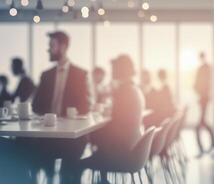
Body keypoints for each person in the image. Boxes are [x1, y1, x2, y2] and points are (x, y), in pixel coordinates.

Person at [31, 31, 92, 183]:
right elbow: (35, 105)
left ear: (63, 47)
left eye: (51, 45)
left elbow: (86, 107)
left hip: (71, 137)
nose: (48, 49)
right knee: (25, 147)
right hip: (48, 135)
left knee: (69, 171)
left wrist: (71, 113)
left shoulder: (80, 74)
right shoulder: (46, 75)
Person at [80, 54, 144, 183]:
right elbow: (119, 122)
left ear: (121, 70)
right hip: (131, 147)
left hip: (120, 153)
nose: (112, 71)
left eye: (114, 68)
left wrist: (89, 135)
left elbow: (115, 127)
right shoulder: (134, 89)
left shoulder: (123, 91)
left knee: (73, 163)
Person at [194, 52, 214, 156]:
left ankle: (202, 149)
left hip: (204, 98)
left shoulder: (203, 69)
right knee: (203, 122)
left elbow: (198, 84)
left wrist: (198, 90)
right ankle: (212, 144)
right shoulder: (206, 68)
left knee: (199, 125)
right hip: (204, 98)